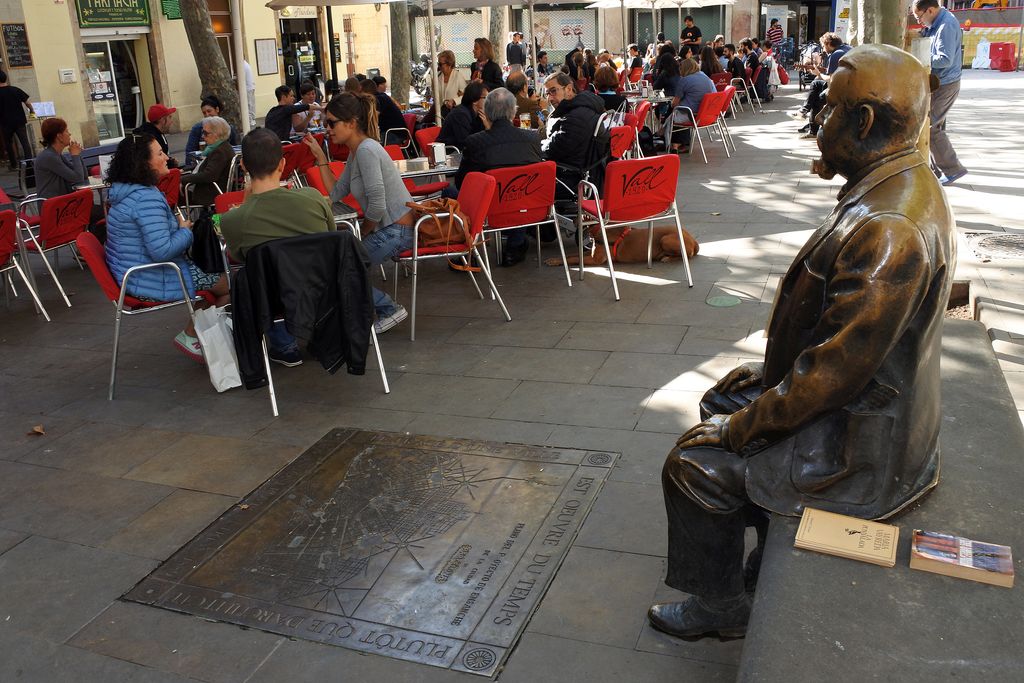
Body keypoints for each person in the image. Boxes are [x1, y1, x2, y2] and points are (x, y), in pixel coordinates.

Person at [648, 43, 955, 641]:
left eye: (831, 111)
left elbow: (832, 376)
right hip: (868, 405)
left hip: (865, 446)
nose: (819, 123)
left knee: (693, 464)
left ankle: (721, 607)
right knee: (722, 399)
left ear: (863, 124)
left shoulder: (890, 228)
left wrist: (743, 429)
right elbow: (840, 345)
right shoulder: (894, 186)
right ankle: (763, 532)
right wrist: (765, 380)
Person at [104, 133, 228, 362]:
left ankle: (200, 332)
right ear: (144, 164)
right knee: (231, 283)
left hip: (133, 272)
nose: (167, 157)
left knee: (216, 277)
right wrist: (185, 230)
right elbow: (161, 250)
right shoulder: (145, 199)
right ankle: (192, 335)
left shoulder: (125, 192)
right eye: (160, 154)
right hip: (151, 275)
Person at [220, 127, 336, 366]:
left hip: (272, 300)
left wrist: (245, 202)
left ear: (243, 166)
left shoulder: (233, 220)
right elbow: (332, 238)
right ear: (282, 164)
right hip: (323, 289)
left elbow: (238, 256)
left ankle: (284, 344)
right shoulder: (313, 198)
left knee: (255, 276)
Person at [303, 92, 413, 334]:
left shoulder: (366, 151)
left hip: (398, 230)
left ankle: (388, 308)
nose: (327, 128)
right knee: (337, 263)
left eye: (331, 122)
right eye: (325, 123)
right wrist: (321, 157)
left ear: (351, 123)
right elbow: (335, 193)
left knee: (340, 268)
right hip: (391, 228)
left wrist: (362, 234)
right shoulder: (357, 151)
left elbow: (377, 205)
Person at [453, 88, 543, 266]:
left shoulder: (475, 142)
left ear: (486, 112)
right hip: (527, 205)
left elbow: (461, 182)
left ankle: (468, 248)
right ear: (514, 111)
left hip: (489, 208)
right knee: (519, 189)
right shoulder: (532, 138)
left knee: (449, 192)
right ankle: (515, 245)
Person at [915, 0, 968, 185]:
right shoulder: (938, 21)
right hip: (942, 82)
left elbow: (944, 60)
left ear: (930, 10)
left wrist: (919, 58)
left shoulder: (946, 25)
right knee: (933, 125)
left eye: (920, 17)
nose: (920, 21)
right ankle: (936, 169)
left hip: (946, 84)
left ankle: (953, 169)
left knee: (929, 126)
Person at [541, 72, 606, 195]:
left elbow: (554, 149)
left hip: (572, 180)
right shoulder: (580, 108)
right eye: (547, 93)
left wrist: (538, 145)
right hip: (581, 174)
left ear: (569, 89)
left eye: (553, 91)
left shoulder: (576, 116)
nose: (549, 98)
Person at [791, 32, 849, 139]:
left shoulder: (836, 55)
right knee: (816, 85)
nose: (823, 49)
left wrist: (819, 74)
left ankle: (806, 116)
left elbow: (832, 80)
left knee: (816, 95)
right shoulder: (848, 48)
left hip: (840, 89)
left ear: (828, 44)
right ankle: (804, 111)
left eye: (823, 46)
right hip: (849, 85)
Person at [180, 116, 234, 208]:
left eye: (205, 133)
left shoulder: (220, 152)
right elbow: (204, 167)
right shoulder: (222, 147)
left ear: (216, 134)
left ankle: (182, 221)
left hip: (210, 195)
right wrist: (184, 171)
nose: (202, 136)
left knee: (170, 196)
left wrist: (183, 179)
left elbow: (209, 175)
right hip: (213, 192)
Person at [667, 58, 715, 151]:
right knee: (676, 112)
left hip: (691, 114)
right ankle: (680, 142)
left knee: (673, 111)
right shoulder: (706, 78)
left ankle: (674, 144)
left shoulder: (684, 80)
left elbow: (675, 102)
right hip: (705, 113)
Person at [33, 118, 86, 199]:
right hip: (53, 207)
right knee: (95, 208)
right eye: (66, 131)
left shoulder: (57, 155)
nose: (70, 134)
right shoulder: (49, 157)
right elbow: (78, 178)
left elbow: (83, 176)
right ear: (59, 136)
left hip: (62, 202)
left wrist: (77, 154)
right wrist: (75, 155)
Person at [184, 95, 239, 161]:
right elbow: (190, 152)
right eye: (204, 113)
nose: (207, 115)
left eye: (209, 111)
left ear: (217, 109)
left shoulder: (228, 128)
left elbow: (236, 149)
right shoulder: (197, 128)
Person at [437, 81, 487, 149]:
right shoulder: (460, 115)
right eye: (485, 98)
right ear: (475, 101)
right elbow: (465, 142)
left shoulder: (478, 113)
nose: (488, 101)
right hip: (449, 153)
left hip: (462, 152)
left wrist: (487, 125)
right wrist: (487, 128)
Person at [0, 71, 32, 171]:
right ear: (5, 78)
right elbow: (27, 103)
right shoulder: (15, 90)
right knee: (25, 142)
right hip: (19, 121)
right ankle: (29, 163)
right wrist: (32, 111)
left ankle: (14, 165)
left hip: (5, 122)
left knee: (8, 143)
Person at [134, 104, 180, 169]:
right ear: (162, 120)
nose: (171, 121)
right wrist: (171, 163)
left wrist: (170, 161)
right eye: (169, 117)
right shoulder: (151, 139)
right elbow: (154, 162)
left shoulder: (158, 133)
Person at [436, 49, 468, 115]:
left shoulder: (458, 76)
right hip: (440, 112)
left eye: (441, 64)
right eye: (438, 64)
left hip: (454, 112)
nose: (439, 66)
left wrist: (454, 101)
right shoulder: (438, 76)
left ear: (449, 64)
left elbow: (465, 97)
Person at [243, 60, 256, 130]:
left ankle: (251, 121)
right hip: (250, 87)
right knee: (251, 104)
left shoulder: (243, 65)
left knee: (249, 105)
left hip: (248, 88)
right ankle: (251, 120)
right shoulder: (245, 64)